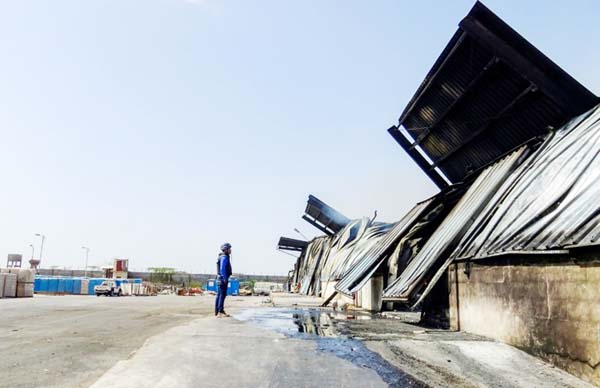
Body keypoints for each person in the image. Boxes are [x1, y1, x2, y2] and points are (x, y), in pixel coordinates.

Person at [215, 242, 232, 317]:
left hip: (219, 278)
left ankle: (217, 311)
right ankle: (220, 311)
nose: (230, 250)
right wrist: (225, 278)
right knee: (222, 295)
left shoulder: (221, 257)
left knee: (219, 295)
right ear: (225, 250)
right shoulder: (224, 257)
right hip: (222, 279)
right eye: (229, 249)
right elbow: (222, 268)